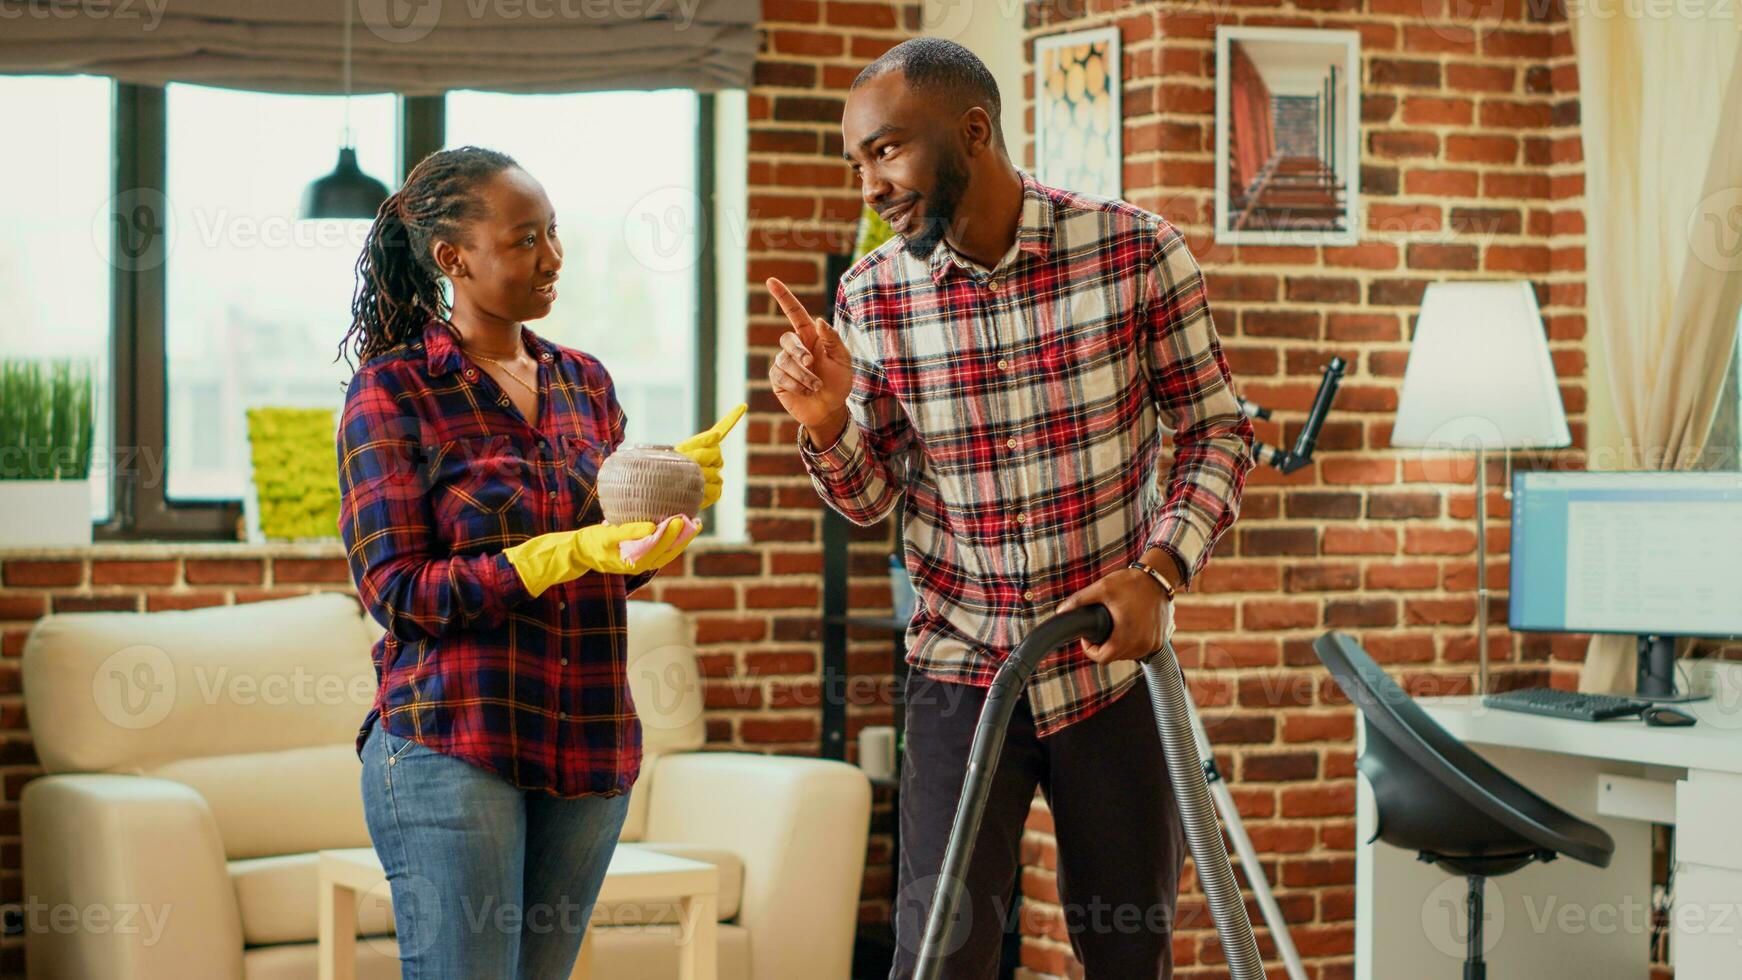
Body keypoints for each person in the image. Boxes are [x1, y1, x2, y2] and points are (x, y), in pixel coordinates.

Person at [765, 39, 1255, 979]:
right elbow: (872, 500)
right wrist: (828, 422)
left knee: (1128, 950)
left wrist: (1160, 573)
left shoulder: (1134, 252)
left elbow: (1216, 432)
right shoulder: (874, 296)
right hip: (959, 670)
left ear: (974, 132)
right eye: (857, 161)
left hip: (1109, 673)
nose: (870, 184)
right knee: (940, 953)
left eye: (888, 151)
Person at [335, 145, 743, 979]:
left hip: (587, 739)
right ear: (454, 258)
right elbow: (397, 593)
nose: (553, 257)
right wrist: (552, 555)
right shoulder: (393, 391)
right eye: (525, 239)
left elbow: (606, 564)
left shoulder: (584, 382)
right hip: (454, 739)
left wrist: (658, 520)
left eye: (553, 233)